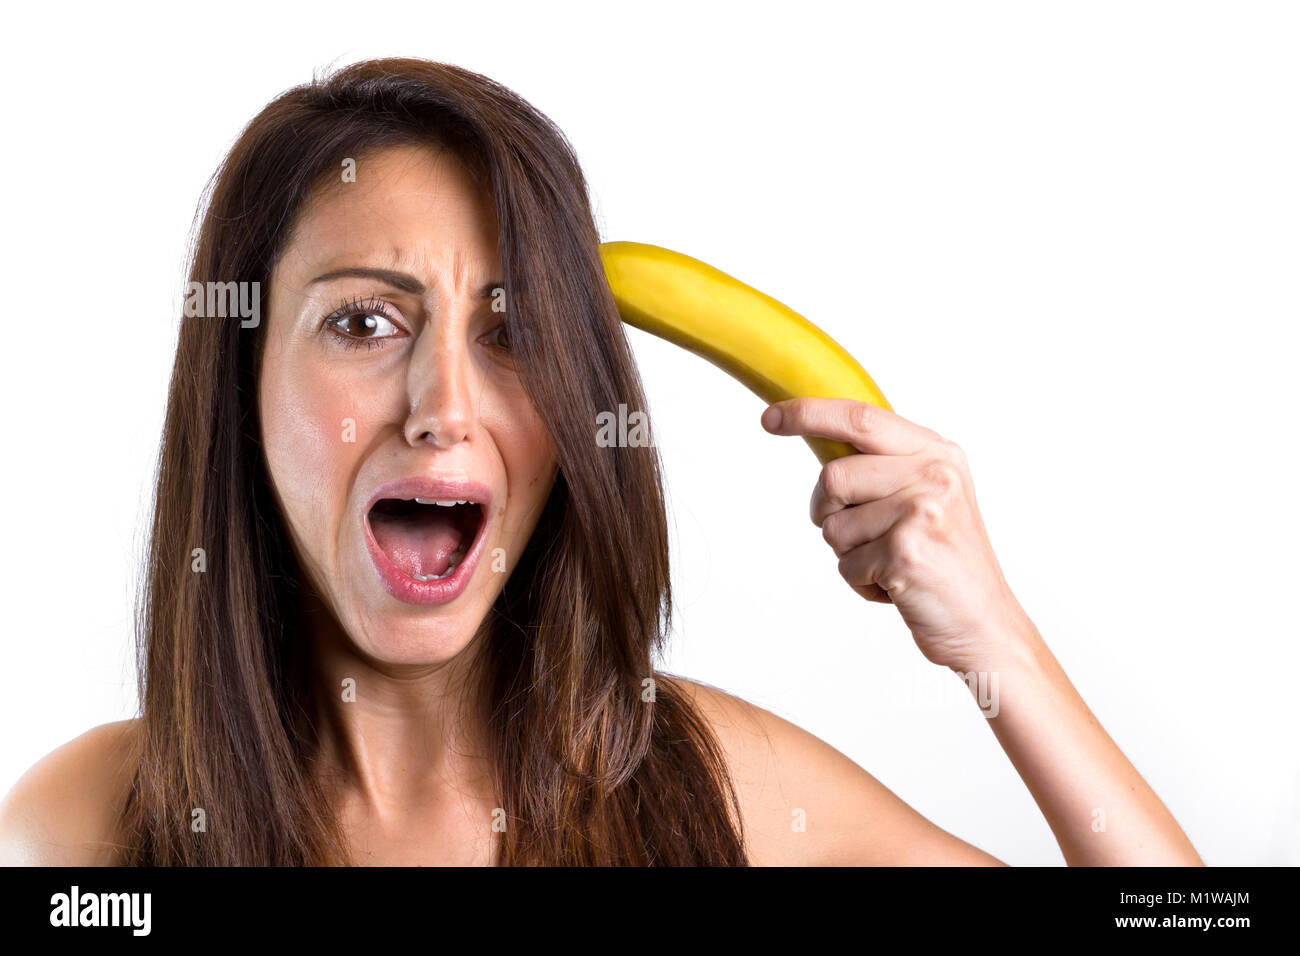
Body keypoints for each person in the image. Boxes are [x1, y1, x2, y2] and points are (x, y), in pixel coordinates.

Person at [0, 58, 1202, 866]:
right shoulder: (81, 830)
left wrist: (994, 640)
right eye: (364, 322)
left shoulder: (709, 786)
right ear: (243, 381)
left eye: (512, 329)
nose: (443, 407)